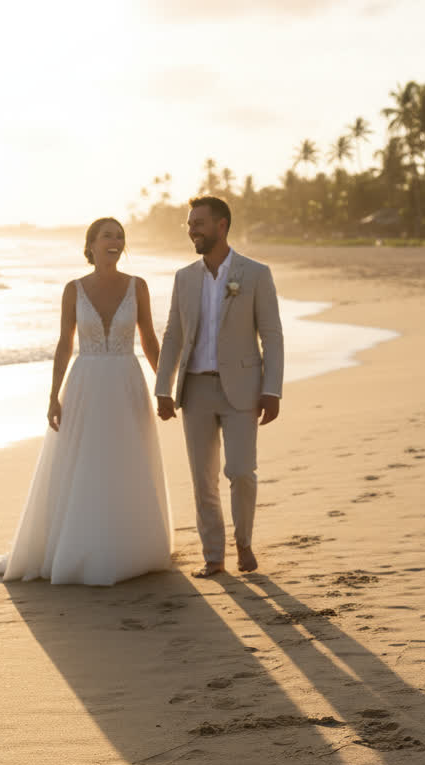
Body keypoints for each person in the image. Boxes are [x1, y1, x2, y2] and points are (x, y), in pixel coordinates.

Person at [0, 217, 173, 586]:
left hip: (126, 383)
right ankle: (82, 546)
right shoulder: (73, 289)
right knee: (85, 462)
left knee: (127, 461)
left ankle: (131, 546)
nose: (115, 242)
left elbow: (149, 339)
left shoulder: (138, 287)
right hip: (85, 383)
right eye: (107, 236)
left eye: (120, 237)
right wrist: (53, 395)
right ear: (91, 245)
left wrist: (164, 385)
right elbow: (64, 343)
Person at [154, 196, 284, 578]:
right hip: (195, 390)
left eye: (199, 223)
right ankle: (214, 556)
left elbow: (272, 336)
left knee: (242, 471)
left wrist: (272, 389)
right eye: (190, 224)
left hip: (244, 389)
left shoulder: (255, 273)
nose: (192, 229)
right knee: (203, 480)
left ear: (221, 225)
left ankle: (244, 542)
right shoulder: (184, 277)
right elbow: (173, 335)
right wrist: (164, 386)